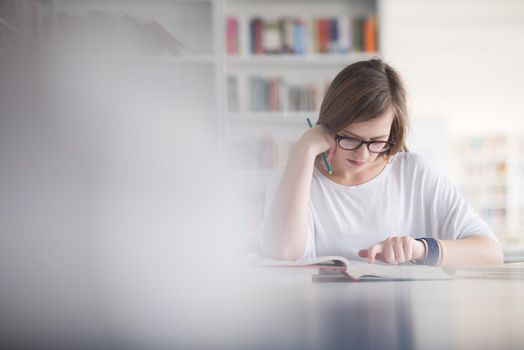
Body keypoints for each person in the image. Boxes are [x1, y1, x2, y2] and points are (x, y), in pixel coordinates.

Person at [261, 58, 503, 268]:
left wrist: (420, 249)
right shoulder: (297, 175)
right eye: (350, 138)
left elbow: (491, 253)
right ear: (329, 125)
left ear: (392, 132)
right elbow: (284, 252)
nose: (363, 155)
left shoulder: (416, 173)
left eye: (377, 141)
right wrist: (304, 149)